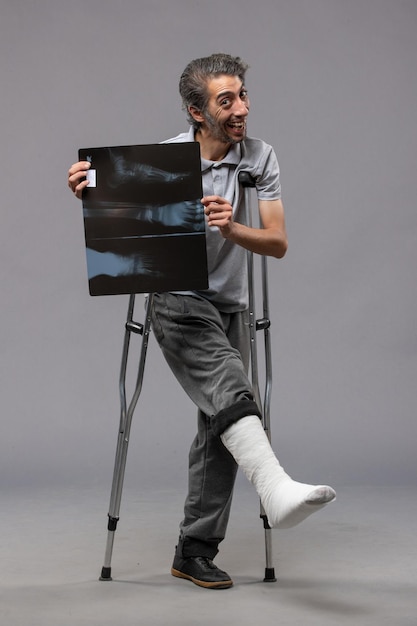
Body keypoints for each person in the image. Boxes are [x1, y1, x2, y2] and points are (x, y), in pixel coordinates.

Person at [68, 53, 336, 590]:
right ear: (196, 111)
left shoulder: (259, 157)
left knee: (225, 424)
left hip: (230, 304)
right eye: (226, 100)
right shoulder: (162, 161)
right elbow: (121, 227)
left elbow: (278, 243)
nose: (241, 108)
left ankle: (194, 550)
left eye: (242, 95)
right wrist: (90, 190)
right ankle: (275, 487)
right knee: (233, 388)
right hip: (176, 298)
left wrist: (234, 228)